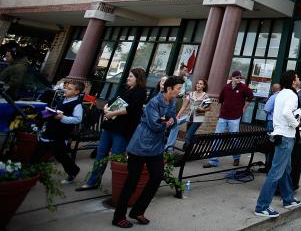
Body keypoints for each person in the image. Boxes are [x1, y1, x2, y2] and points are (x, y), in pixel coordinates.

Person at [112, 75, 184, 228]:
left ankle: (137, 211)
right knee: (132, 181)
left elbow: (170, 120)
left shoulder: (172, 101)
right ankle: (118, 217)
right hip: (140, 145)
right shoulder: (154, 102)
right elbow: (155, 125)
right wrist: (167, 122)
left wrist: (168, 121)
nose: (179, 92)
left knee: (157, 177)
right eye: (178, 89)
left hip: (156, 147)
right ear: (169, 88)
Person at [78, 67, 148, 191]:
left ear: (138, 78)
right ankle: (93, 181)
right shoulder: (125, 88)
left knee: (117, 157)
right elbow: (112, 100)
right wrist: (106, 108)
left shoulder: (140, 92)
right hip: (110, 126)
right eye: (128, 76)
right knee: (101, 154)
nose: (128, 78)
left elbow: (131, 109)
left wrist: (112, 113)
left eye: (131, 76)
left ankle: (120, 185)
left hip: (122, 129)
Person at [254, 71, 301, 218]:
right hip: (286, 137)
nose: (299, 79)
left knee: (286, 169)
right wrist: (296, 123)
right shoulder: (292, 95)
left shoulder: (280, 94)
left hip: (279, 134)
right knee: (276, 172)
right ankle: (261, 206)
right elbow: (287, 113)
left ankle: (288, 199)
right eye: (297, 77)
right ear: (293, 81)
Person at [31, 80, 84, 183]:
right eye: (66, 88)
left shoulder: (77, 104)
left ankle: (73, 170)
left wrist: (62, 118)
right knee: (38, 153)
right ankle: (32, 173)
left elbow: (78, 119)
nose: (66, 90)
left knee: (60, 155)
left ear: (76, 92)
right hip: (51, 130)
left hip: (60, 134)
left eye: (69, 89)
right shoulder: (63, 99)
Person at [203, 70, 253, 168]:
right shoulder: (226, 88)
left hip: (235, 116)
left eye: (240, 78)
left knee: (234, 138)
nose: (239, 79)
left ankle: (236, 157)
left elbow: (250, 97)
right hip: (223, 115)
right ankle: (213, 160)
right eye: (237, 77)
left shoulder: (244, 88)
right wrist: (218, 112)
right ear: (232, 78)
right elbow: (220, 100)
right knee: (217, 137)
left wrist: (244, 107)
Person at [180, 78, 211, 152]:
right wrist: (178, 115)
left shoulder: (205, 96)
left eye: (201, 84)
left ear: (204, 86)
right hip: (190, 117)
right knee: (190, 135)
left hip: (198, 118)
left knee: (188, 136)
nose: (198, 85)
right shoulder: (191, 94)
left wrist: (202, 109)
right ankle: (192, 148)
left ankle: (185, 150)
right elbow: (184, 106)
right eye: (197, 83)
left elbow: (209, 108)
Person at [260, 83, 281, 173]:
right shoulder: (283, 97)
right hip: (280, 123)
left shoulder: (273, 97)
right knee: (276, 145)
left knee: (269, 144)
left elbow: (266, 109)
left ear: (273, 89)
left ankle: (268, 166)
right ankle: (272, 167)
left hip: (271, 122)